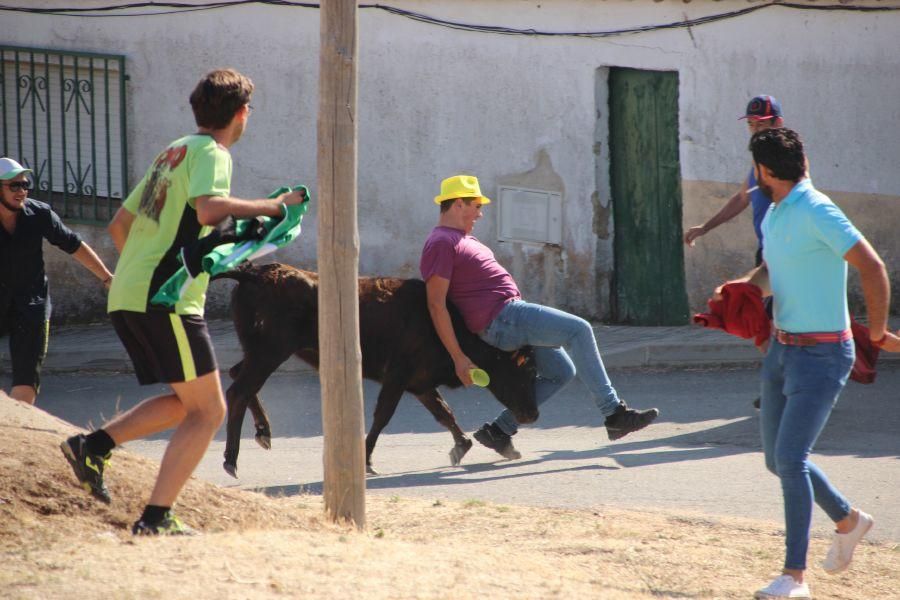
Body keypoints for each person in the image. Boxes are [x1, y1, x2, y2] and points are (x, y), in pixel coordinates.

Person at [59, 68, 306, 535]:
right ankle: (155, 517)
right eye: (249, 108)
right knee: (210, 411)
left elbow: (118, 225)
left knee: (189, 401)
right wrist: (275, 207)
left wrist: (141, 269)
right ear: (240, 113)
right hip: (167, 299)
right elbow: (210, 209)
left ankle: (94, 448)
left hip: (130, 293)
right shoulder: (214, 151)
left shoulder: (171, 152)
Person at [711, 128, 899, 599]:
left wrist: (875, 333)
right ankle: (849, 521)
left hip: (822, 354)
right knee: (778, 460)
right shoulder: (775, 213)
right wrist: (744, 286)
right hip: (780, 350)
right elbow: (773, 269)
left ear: (763, 171)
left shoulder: (818, 210)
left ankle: (794, 578)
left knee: (791, 459)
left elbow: (872, 266)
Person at [421, 175, 659, 460]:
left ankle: (499, 431)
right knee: (579, 330)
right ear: (458, 204)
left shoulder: (460, 238)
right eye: (476, 205)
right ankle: (614, 414)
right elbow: (436, 304)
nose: (480, 213)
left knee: (562, 371)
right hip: (503, 318)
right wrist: (459, 357)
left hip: (508, 316)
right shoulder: (441, 242)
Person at [0, 157, 113, 405]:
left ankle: (14, 436)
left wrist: (107, 278)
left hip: (31, 305)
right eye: (14, 186)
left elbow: (73, 245)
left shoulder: (38, 214)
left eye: (25, 184)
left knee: (26, 380)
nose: (22, 191)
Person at [684, 95, 785, 263]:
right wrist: (705, 227)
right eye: (751, 124)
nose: (755, 130)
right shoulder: (759, 160)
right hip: (766, 250)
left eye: (761, 124)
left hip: (787, 252)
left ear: (778, 123)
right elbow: (742, 197)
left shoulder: (789, 161)